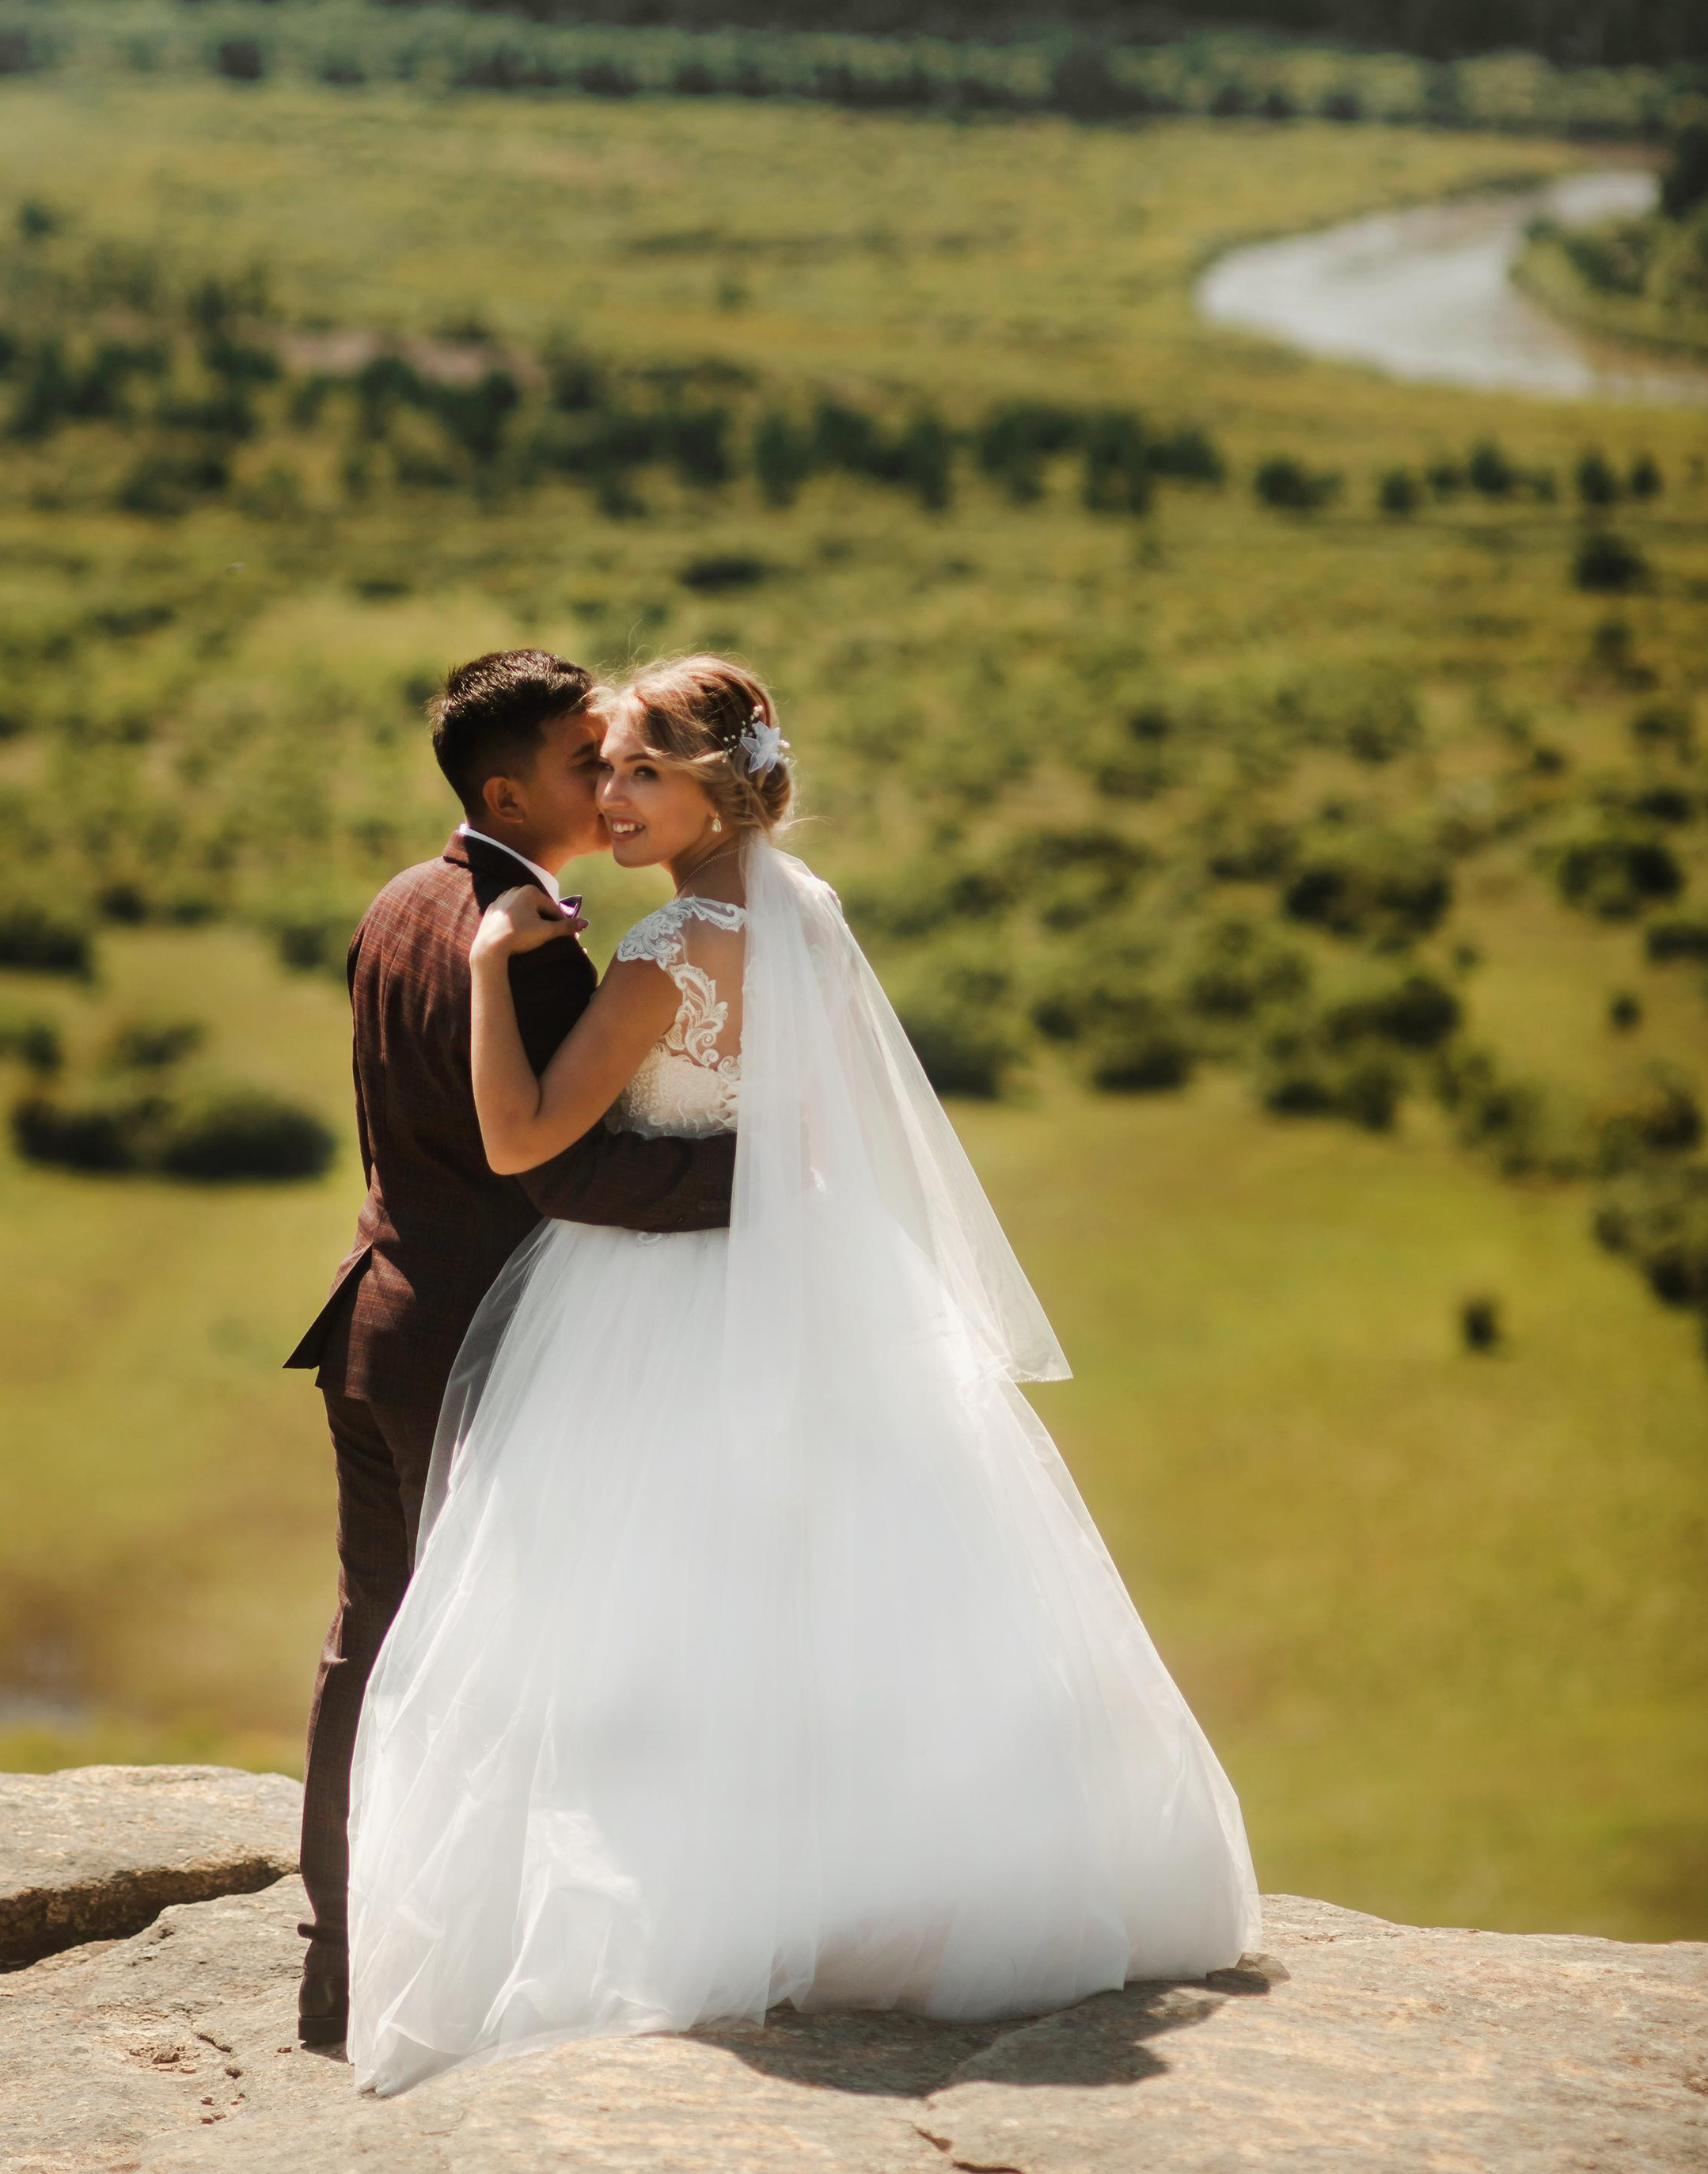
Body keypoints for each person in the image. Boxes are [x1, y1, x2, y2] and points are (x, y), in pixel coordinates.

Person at [344, 653, 1258, 2094]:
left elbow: (521, 1140)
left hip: (652, 1304)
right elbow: (812, 1137)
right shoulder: (805, 910)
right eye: (607, 768)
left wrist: (485, 967)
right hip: (808, 1281)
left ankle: (699, 1904)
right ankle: (868, 1887)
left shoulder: (665, 950)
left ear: (718, 788)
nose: (616, 796)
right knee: (829, 1589)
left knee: (647, 1609)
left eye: (644, 770)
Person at [283, 649, 735, 2050]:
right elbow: (563, 1171)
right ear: (506, 795)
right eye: (585, 762)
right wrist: (763, 1179)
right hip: (484, 1349)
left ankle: (341, 1953)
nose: (613, 781)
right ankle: (473, 1957)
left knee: (372, 1640)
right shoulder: (526, 939)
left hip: (377, 1323)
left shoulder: (400, 899)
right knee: (502, 1654)